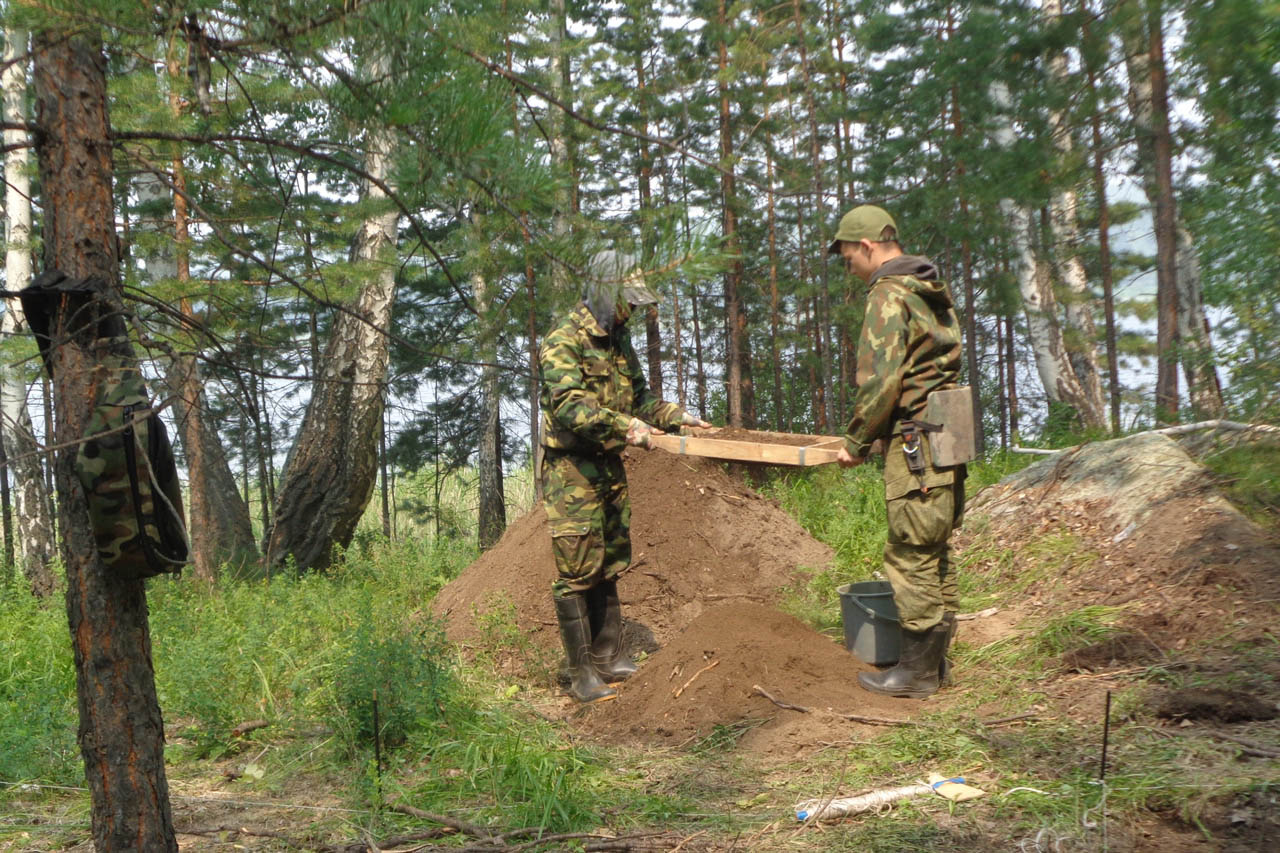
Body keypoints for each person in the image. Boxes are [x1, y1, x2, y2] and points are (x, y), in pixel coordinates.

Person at [539, 251, 711, 703]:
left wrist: (677, 417)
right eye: (625, 301)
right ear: (601, 289)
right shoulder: (563, 339)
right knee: (577, 567)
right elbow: (569, 406)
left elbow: (640, 400)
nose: (630, 311)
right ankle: (581, 675)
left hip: (610, 464)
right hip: (572, 469)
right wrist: (626, 428)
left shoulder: (618, 341)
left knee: (611, 558)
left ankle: (609, 654)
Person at [829, 204, 966, 699]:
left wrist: (857, 440)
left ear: (867, 246)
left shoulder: (889, 294)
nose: (850, 268)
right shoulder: (929, 289)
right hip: (948, 430)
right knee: (934, 547)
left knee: (910, 550)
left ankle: (916, 673)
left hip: (918, 436)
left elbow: (881, 380)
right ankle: (936, 664)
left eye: (848, 258)